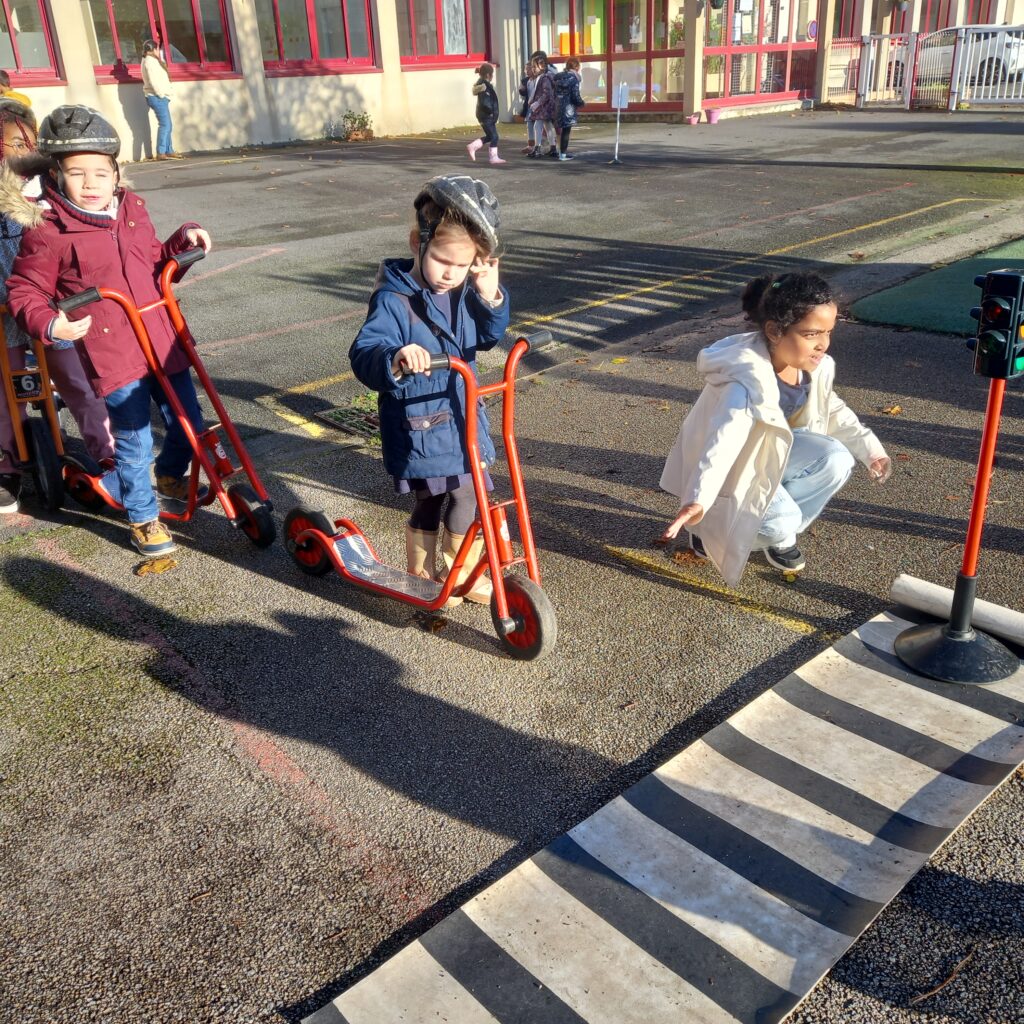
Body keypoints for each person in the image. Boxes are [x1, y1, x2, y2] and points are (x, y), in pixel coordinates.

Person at [8, 105, 211, 556]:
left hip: (162, 339)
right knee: (134, 440)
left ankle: (169, 476)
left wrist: (185, 239)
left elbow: (154, 261)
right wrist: (50, 321)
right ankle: (143, 517)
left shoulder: (132, 209)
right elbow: (25, 289)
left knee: (190, 423)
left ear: (116, 174)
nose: (91, 183)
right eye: (77, 173)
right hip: (113, 353)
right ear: (56, 176)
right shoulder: (48, 231)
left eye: (101, 173)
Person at [659, 272, 891, 584]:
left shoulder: (815, 368)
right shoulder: (744, 382)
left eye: (828, 332)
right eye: (811, 334)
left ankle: (771, 529)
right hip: (735, 466)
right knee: (783, 522)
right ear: (774, 331)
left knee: (836, 459)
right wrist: (698, 499)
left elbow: (832, 407)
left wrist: (870, 450)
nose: (823, 344)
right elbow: (722, 441)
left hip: (771, 453)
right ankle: (710, 531)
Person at [349, 175, 510, 606]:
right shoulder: (394, 299)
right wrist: (396, 356)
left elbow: (486, 338)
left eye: (463, 266)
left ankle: (451, 573)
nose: (450, 274)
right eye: (442, 261)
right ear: (416, 243)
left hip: (462, 418)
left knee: (457, 495)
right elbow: (365, 351)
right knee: (440, 497)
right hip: (422, 425)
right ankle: (436, 574)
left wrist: (490, 297)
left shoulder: (463, 292)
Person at [0, 99, 114, 515]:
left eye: (26, 144)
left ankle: (107, 453)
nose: (21, 152)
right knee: (4, 391)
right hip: (3, 311)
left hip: (51, 309)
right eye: (12, 145)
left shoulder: (49, 188)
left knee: (78, 380)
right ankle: (8, 462)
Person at [141, 40, 182, 160]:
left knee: (168, 124)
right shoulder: (150, 62)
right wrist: (161, 94)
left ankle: (169, 150)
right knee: (165, 125)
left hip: (158, 96)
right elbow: (153, 81)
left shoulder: (150, 60)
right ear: (154, 49)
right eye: (157, 49)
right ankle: (161, 152)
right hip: (156, 96)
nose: (159, 51)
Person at [467, 62, 504, 165]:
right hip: (486, 116)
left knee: (490, 136)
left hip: (484, 115)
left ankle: (473, 146)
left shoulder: (483, 85)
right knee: (494, 136)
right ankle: (493, 157)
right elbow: (485, 102)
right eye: (492, 74)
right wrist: (491, 112)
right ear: (488, 75)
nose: (492, 76)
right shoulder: (484, 87)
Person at [553, 57, 585, 162]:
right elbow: (575, 95)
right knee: (566, 131)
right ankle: (563, 154)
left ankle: (560, 152)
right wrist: (581, 103)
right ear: (577, 67)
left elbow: (554, 93)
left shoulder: (557, 77)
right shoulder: (574, 79)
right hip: (569, 108)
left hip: (558, 106)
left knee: (560, 131)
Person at [529, 54, 558, 159]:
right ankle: (553, 148)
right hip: (547, 106)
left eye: (534, 67)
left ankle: (537, 149)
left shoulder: (544, 78)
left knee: (537, 126)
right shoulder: (542, 77)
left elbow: (547, 93)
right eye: (532, 67)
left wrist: (537, 103)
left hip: (544, 107)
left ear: (541, 66)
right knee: (548, 126)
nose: (532, 69)